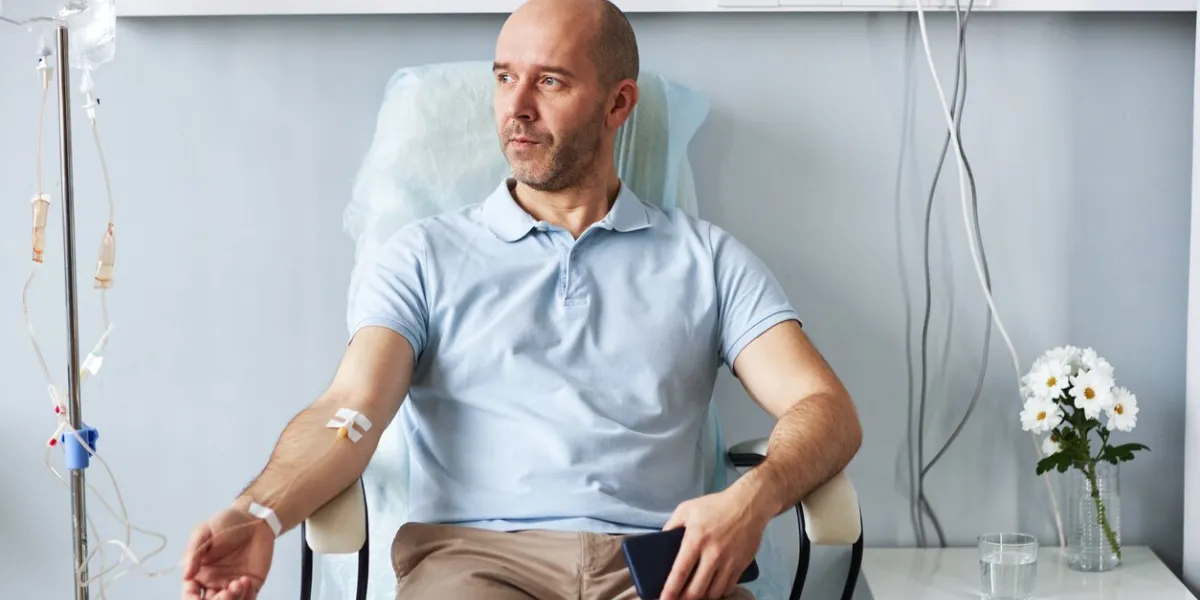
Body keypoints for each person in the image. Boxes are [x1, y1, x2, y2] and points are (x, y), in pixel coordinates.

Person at [180, 0, 862, 599]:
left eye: (550, 81)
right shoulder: (425, 257)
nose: (517, 107)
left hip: (655, 569)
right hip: (474, 565)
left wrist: (752, 498)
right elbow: (349, 410)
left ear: (618, 104)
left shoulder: (706, 260)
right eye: (505, 77)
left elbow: (825, 408)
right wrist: (259, 514)